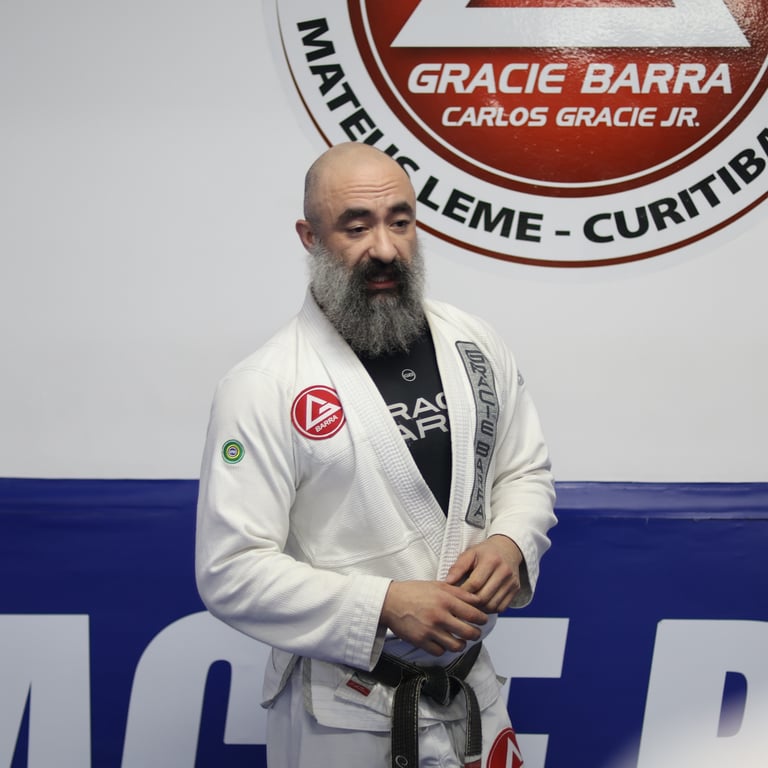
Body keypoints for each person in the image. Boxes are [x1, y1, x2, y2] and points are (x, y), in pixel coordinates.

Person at [195, 141, 557, 767]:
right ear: (310, 237)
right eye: (356, 227)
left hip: (470, 689)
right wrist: (383, 604)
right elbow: (231, 570)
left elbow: (523, 470)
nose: (385, 249)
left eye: (400, 221)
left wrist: (511, 543)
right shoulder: (264, 385)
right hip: (343, 712)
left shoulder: (473, 342)